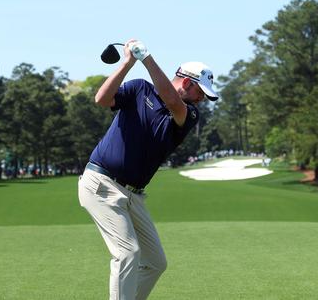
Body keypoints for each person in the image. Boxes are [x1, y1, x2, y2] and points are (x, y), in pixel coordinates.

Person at [78, 39, 218, 300]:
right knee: (127, 253)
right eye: (201, 92)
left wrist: (147, 58)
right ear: (187, 82)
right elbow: (101, 98)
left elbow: (173, 102)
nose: (202, 99)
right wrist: (128, 63)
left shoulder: (189, 113)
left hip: (133, 195)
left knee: (155, 262)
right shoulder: (139, 89)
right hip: (101, 184)